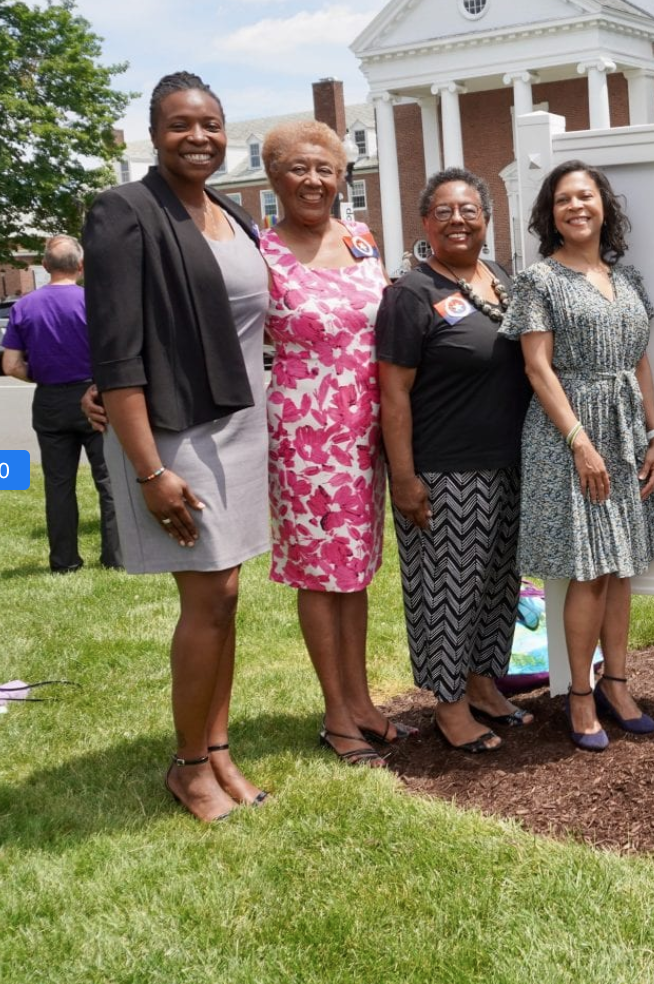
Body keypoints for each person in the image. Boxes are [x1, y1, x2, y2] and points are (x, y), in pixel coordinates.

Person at [82, 71, 270, 822]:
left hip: (242, 425)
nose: (199, 138)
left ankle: (216, 748)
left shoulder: (225, 208)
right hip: (175, 432)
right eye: (181, 125)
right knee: (210, 594)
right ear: (152, 135)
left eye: (212, 124)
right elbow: (118, 353)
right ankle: (187, 766)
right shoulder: (124, 212)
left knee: (227, 599)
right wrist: (150, 470)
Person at [502, 160, 654, 752]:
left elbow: (641, 361)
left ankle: (618, 685)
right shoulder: (539, 281)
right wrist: (580, 443)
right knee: (589, 570)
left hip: (625, 428)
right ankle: (579, 695)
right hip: (568, 432)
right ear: (551, 215)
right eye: (563, 200)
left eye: (586, 196)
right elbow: (536, 366)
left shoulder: (628, 280)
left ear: (604, 206)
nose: (576, 207)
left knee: (620, 566)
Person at [260, 120, 406, 768]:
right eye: (299, 167)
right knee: (320, 578)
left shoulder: (360, 239)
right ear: (273, 177)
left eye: (326, 167)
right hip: (305, 439)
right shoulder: (259, 253)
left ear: (343, 175)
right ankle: (336, 714)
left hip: (367, 434)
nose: (314, 179)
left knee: (356, 571)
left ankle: (362, 699)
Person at [376, 168, 533, 754]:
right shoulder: (409, 294)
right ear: (425, 224)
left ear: (487, 220)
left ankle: (483, 686)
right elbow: (393, 395)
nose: (458, 220)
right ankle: (448, 707)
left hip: (510, 463)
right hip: (445, 471)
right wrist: (405, 477)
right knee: (447, 590)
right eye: (444, 211)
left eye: (469, 210)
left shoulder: (504, 282)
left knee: (497, 584)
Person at [1, 235, 121, 574]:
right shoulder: (94, 302)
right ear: (81, 266)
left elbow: (10, 365)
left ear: (45, 266)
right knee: (108, 480)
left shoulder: (23, 306)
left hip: (49, 399)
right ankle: (115, 556)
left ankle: (64, 562)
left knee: (58, 485)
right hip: (95, 397)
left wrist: (37, 373)